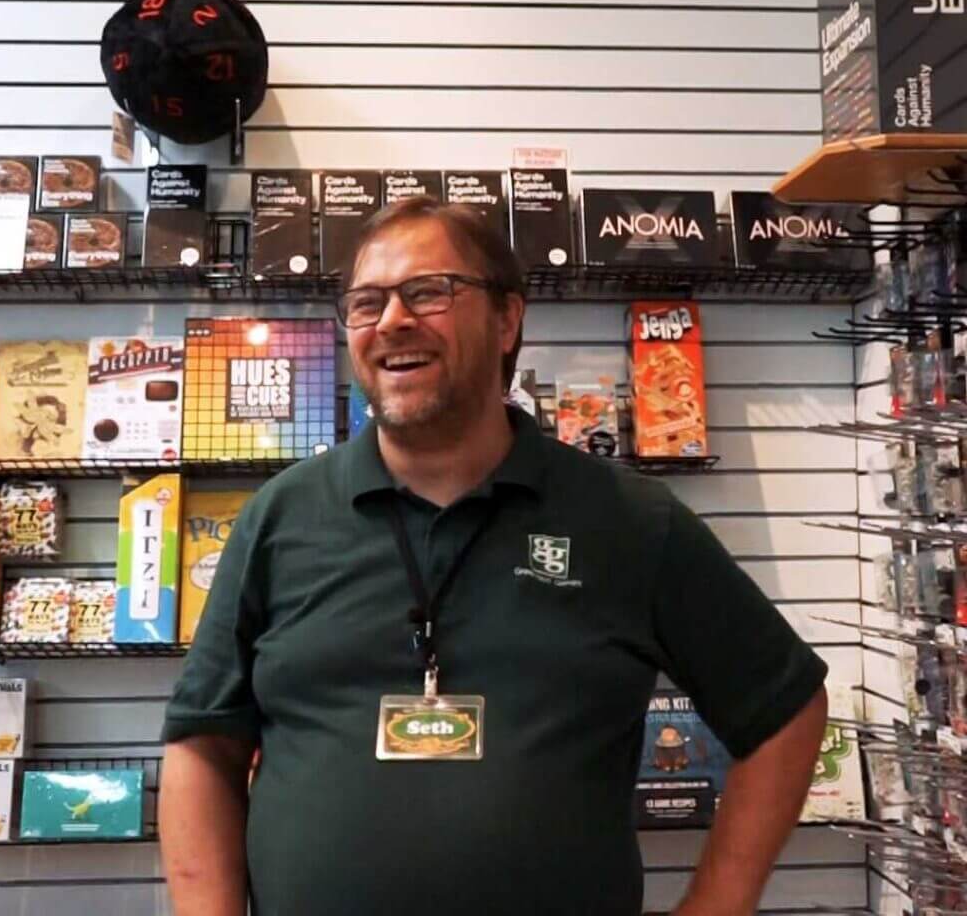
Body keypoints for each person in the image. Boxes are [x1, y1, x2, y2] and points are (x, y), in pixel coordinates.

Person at [160, 196, 828, 916]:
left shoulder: (632, 521)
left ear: (507, 319)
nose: (392, 321)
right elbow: (203, 745)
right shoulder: (278, 518)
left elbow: (786, 710)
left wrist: (720, 903)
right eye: (367, 302)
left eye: (428, 292)